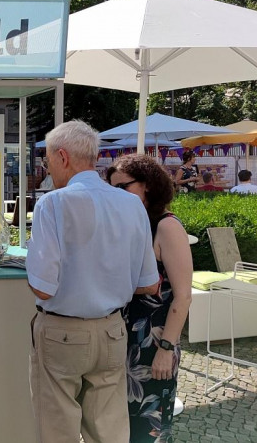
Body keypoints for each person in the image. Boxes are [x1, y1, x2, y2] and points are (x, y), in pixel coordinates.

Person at [26, 120, 160, 443]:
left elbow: (43, 286)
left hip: (62, 334)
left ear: (63, 157)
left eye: (47, 160)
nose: (47, 168)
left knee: (58, 431)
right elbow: (149, 282)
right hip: (112, 330)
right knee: (110, 433)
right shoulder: (131, 205)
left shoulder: (53, 203)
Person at [107, 154, 194, 443]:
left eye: (123, 187)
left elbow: (182, 297)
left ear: (147, 186)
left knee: (150, 429)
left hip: (154, 345)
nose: (116, 195)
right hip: (124, 344)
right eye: (112, 188)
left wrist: (166, 349)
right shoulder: (135, 226)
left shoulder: (167, 227)